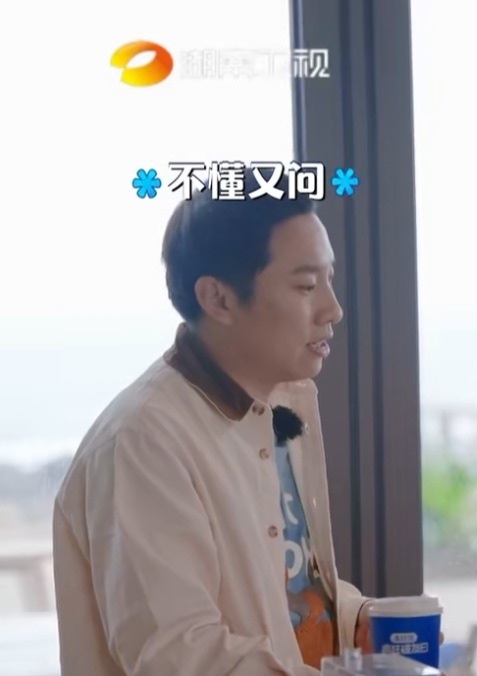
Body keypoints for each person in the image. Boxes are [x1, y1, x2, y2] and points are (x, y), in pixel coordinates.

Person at [53, 169, 373, 675]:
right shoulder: (142, 441)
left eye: (329, 280)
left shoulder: (277, 403)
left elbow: (283, 589)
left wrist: (359, 617)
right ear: (218, 298)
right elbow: (179, 656)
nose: (332, 309)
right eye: (307, 285)